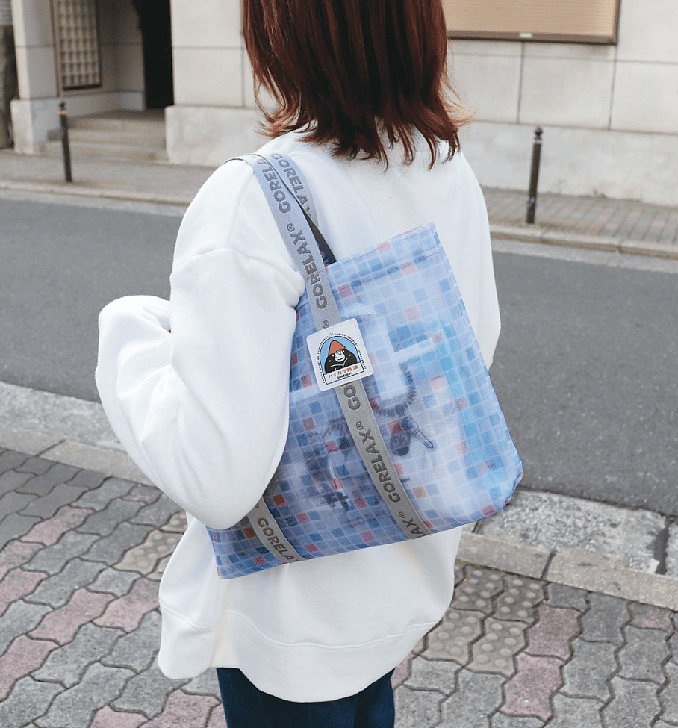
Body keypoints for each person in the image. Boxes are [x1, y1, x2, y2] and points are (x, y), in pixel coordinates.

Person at [95, 0, 501, 725]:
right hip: (397, 584)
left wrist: (127, 338)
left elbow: (216, 479)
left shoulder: (253, 199)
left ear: (280, 33)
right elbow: (474, 353)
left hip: (290, 617)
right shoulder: (442, 165)